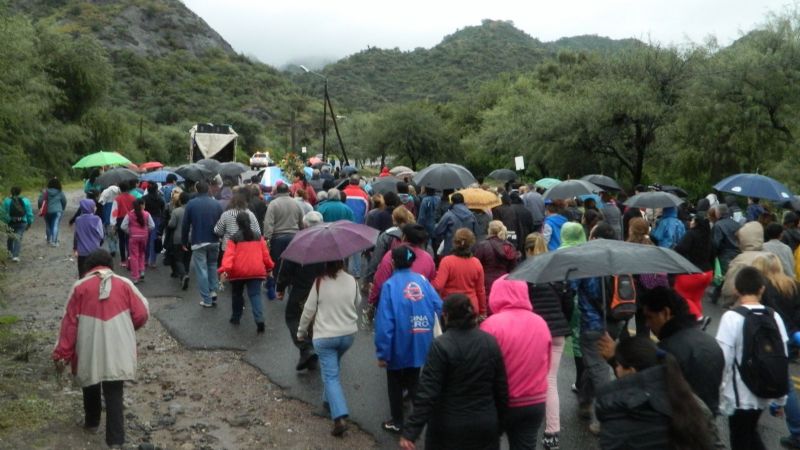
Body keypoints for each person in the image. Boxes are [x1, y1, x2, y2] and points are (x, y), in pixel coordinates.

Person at [52, 249, 149, 449]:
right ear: (109, 266)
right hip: (118, 344)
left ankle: (92, 422)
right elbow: (142, 313)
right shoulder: (125, 284)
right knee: (114, 390)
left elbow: (69, 324)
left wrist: (62, 354)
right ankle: (116, 441)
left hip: (88, 343)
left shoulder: (79, 288)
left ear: (89, 267)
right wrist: (127, 328)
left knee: (90, 381)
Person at [400, 294, 508, 450]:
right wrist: (500, 423)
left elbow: (428, 391)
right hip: (485, 424)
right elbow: (501, 389)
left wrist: (411, 431)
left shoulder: (441, 345)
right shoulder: (490, 342)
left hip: (448, 427)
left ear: (447, 315)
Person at [595, 337, 715, 450]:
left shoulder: (624, 415)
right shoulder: (689, 400)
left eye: (618, 365)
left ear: (631, 371)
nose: (616, 369)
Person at [716, 266, 789, 450]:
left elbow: (723, 359)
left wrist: (719, 393)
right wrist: (781, 399)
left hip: (738, 394)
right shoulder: (775, 316)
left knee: (741, 437)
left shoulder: (731, 318)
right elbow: (782, 358)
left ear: (736, 289)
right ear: (761, 289)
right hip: (764, 390)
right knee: (750, 433)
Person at [375, 246, 443, 433]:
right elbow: (438, 305)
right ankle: (429, 419)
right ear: (412, 262)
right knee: (414, 381)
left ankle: (398, 422)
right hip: (421, 338)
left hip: (398, 341)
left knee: (395, 384)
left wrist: (383, 352)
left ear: (393, 262)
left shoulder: (389, 285)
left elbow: (385, 323)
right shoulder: (422, 280)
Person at [480, 275, 551, 450]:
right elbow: (546, 363)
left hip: (501, 402)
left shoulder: (491, 325)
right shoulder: (541, 323)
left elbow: (483, 367)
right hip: (535, 401)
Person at [297, 260, 360, 437]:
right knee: (333, 366)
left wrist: (301, 332)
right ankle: (327, 400)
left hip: (325, 336)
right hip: (347, 335)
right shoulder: (352, 280)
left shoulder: (320, 282)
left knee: (331, 375)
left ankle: (339, 417)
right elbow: (358, 301)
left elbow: (308, 310)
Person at [523, 232, 573, 450]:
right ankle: (552, 432)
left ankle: (527, 425)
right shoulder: (557, 271)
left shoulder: (524, 273)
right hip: (557, 330)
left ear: (526, 250)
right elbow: (568, 301)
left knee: (529, 376)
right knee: (550, 380)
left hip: (534, 331)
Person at [574, 222, 622, 433]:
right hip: (617, 319)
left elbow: (573, 288)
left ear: (594, 238)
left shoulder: (586, 261)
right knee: (593, 362)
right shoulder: (620, 258)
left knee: (600, 370)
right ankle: (585, 401)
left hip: (593, 322)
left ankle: (604, 419)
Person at [278, 211, 326, 371]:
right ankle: (311, 354)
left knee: (293, 317)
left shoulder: (299, 241)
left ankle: (306, 348)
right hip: (324, 288)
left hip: (302, 289)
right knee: (315, 320)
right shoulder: (329, 243)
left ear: (305, 225)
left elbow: (287, 267)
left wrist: (280, 287)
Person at [218, 212, 274, 333]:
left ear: (237, 223)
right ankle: (259, 320)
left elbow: (229, 257)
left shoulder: (234, 238)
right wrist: (269, 268)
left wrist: (225, 271)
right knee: (255, 295)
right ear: (249, 222)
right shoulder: (259, 237)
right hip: (256, 270)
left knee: (237, 294)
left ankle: (236, 317)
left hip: (238, 272)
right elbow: (265, 256)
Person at [181, 181, 224, 307]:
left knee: (202, 270)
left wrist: (184, 241)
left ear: (196, 189)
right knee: (212, 266)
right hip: (214, 240)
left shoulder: (191, 204)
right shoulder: (216, 203)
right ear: (208, 189)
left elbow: (185, 224)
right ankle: (213, 292)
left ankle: (206, 299)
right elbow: (221, 222)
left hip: (198, 240)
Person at [433, 228, 487, 317]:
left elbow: (439, 285)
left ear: (454, 242)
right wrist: (483, 311)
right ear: (471, 243)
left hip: (451, 307)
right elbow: (480, 290)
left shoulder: (447, 261)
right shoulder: (476, 263)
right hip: (471, 307)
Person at [721, 221, 771, 307]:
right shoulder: (771, 256)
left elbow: (728, 290)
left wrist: (728, 301)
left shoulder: (740, 260)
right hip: (768, 306)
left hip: (744, 306)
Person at [674, 214, 715, 319]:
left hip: (692, 272)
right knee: (695, 298)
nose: (690, 222)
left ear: (696, 223)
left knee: (681, 296)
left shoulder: (691, 234)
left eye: (692, 220)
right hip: (707, 273)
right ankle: (695, 321)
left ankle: (698, 318)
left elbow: (680, 249)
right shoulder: (708, 237)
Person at [365, 206, 416, 286]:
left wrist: (369, 278)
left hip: (390, 276)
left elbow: (376, 258)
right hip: (412, 279)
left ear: (395, 220)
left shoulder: (387, 235)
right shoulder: (417, 235)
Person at [474, 220, 518, 296]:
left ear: (489, 230)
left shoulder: (483, 245)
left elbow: (476, 266)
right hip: (504, 281)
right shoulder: (509, 246)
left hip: (486, 283)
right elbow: (513, 268)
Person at [214, 190, 261, 261]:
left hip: (228, 248)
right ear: (245, 202)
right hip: (247, 248)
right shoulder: (250, 214)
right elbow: (257, 232)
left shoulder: (226, 214)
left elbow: (217, 231)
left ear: (232, 202)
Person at [711, 203, 742, 303]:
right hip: (737, 253)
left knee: (721, 276)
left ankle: (717, 296)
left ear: (718, 213)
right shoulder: (737, 224)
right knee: (735, 276)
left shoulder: (718, 225)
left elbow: (716, 242)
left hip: (725, 253)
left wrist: (713, 255)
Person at [121, 199, 154, 284]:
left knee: (134, 256)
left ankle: (135, 277)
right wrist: (146, 231)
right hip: (144, 237)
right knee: (142, 253)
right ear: (142, 205)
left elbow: (123, 226)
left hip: (133, 237)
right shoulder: (147, 214)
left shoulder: (129, 214)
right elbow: (152, 226)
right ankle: (142, 270)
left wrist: (130, 232)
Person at [434, 193, 477, 257]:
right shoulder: (472, 215)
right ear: (463, 201)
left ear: (452, 202)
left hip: (451, 249)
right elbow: (476, 232)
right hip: (467, 250)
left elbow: (438, 231)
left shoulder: (448, 215)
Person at [73, 199, 105, 277]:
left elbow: (76, 235)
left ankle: (82, 288)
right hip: (94, 251)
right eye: (94, 206)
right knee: (95, 274)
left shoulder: (78, 220)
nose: (96, 208)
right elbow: (101, 235)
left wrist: (75, 248)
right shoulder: (97, 219)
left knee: (82, 274)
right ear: (90, 207)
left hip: (82, 253)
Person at [3, 186, 33, 262]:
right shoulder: (25, 200)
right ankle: (15, 256)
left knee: (10, 238)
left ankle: (10, 253)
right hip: (22, 222)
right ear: (20, 192)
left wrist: (5, 221)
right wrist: (29, 222)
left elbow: (2, 213)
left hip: (10, 222)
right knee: (18, 238)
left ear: (11, 192)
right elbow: (29, 213)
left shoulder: (6, 201)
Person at [168, 192, 191, 290]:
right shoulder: (192, 211)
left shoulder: (176, 211)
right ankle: (185, 275)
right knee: (187, 259)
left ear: (180, 200)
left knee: (178, 259)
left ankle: (183, 275)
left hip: (178, 238)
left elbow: (171, 225)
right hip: (190, 238)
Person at [111, 181, 137, 267]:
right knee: (129, 240)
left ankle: (123, 260)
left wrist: (113, 224)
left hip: (120, 220)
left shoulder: (117, 199)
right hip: (131, 220)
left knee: (121, 240)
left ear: (120, 189)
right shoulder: (133, 198)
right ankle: (130, 258)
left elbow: (114, 212)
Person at [39, 177, 67, 247]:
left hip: (47, 211)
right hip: (57, 211)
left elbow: (40, 201)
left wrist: (40, 208)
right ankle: (54, 241)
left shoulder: (45, 192)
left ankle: (49, 240)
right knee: (55, 225)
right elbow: (64, 201)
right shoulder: (60, 192)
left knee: (48, 225)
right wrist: (62, 209)